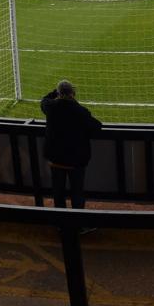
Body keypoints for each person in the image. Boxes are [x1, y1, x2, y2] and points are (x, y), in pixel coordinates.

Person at [41, 80, 102, 209]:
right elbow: (97, 127)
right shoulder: (81, 111)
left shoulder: (50, 107)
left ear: (58, 93)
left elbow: (44, 100)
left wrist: (54, 92)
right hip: (76, 160)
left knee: (58, 193)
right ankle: (78, 225)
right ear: (73, 93)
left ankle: (61, 224)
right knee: (77, 192)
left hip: (55, 158)